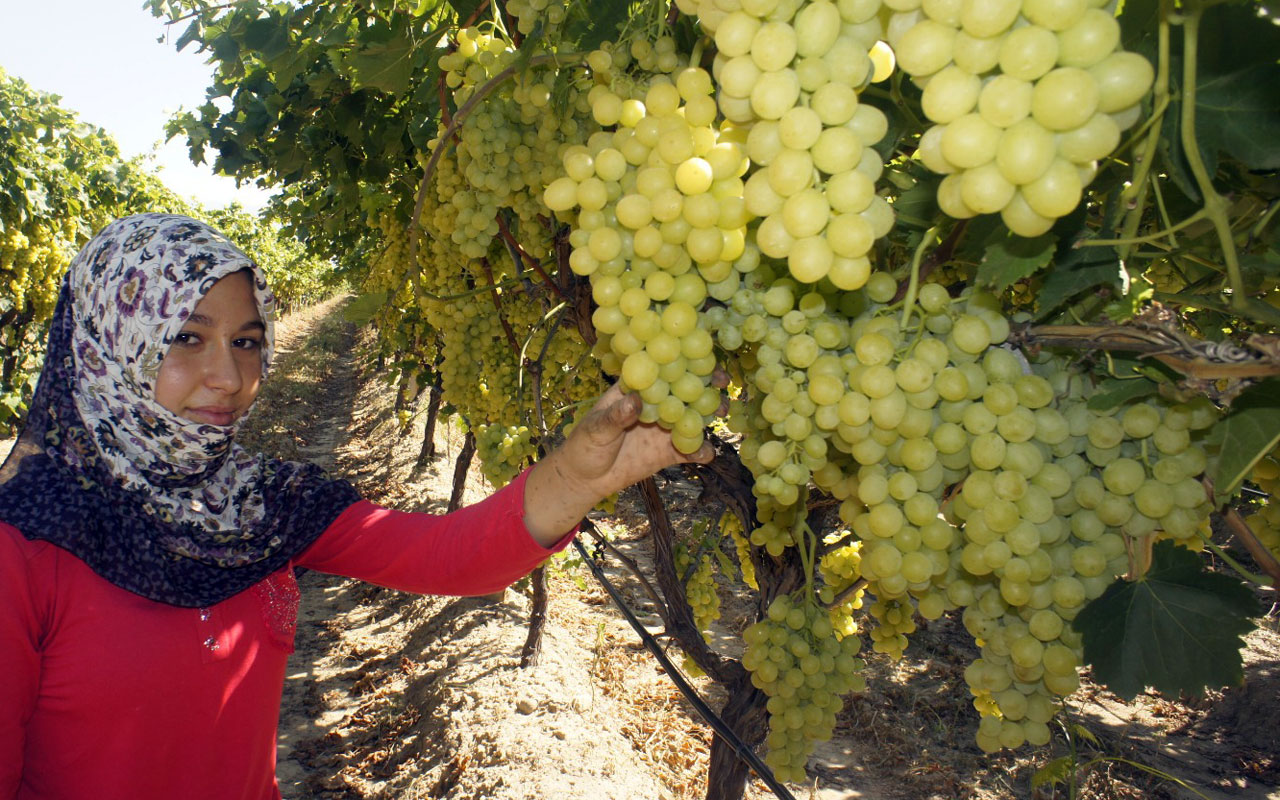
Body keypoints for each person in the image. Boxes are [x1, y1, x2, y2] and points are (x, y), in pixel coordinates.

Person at [0, 213, 713, 799]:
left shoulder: (261, 503)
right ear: (105, 343)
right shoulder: (25, 548)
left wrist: (580, 476)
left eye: (247, 342)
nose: (229, 376)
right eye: (186, 338)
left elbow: (447, 557)